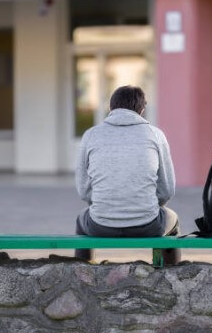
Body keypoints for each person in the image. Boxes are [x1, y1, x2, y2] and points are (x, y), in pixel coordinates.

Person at [74, 85, 180, 264]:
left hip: (100, 225)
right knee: (173, 220)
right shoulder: (155, 135)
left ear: (111, 108)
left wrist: (107, 204)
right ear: (142, 109)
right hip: (148, 224)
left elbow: (84, 191)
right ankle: (168, 275)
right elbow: (167, 190)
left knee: (81, 219)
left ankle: (84, 274)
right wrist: (146, 205)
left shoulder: (91, 135)